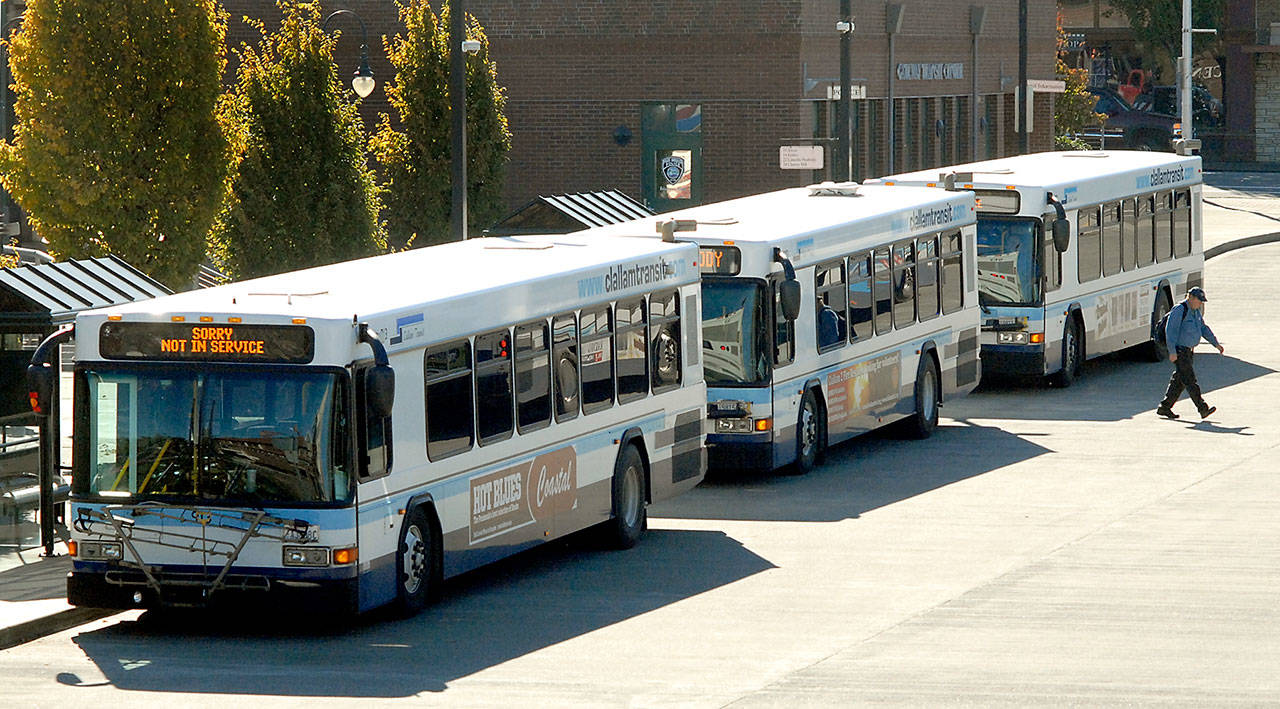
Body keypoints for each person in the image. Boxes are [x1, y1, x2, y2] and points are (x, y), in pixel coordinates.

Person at [1156, 286, 1224, 420]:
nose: (1200, 303)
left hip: (1188, 351)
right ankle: (1202, 408)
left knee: (1179, 381)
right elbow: (1171, 332)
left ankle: (1165, 407)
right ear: (1191, 298)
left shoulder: (1196, 311)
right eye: (1199, 300)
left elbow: (1203, 328)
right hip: (1179, 351)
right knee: (1190, 380)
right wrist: (1172, 351)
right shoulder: (1180, 310)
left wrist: (1215, 344)